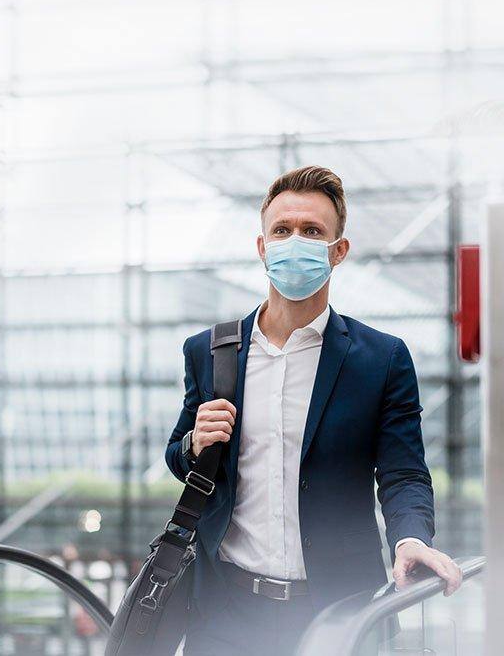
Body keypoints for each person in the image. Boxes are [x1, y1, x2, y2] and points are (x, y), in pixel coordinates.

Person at [164, 165, 463, 656]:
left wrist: (410, 539)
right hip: (224, 611)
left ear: (337, 251)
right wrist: (194, 443)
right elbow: (178, 457)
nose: (294, 242)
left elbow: (404, 473)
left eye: (312, 231)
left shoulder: (382, 359)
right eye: (281, 230)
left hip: (338, 611)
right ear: (262, 247)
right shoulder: (211, 351)